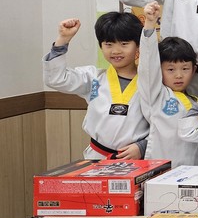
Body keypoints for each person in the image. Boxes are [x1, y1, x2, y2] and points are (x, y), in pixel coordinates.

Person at [43, 12, 148, 160]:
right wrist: (63, 40)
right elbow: (56, 79)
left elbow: (164, 124)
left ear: (138, 45)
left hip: (137, 159)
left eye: (124, 44)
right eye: (108, 44)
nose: (116, 51)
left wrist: (143, 146)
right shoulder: (93, 78)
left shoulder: (151, 83)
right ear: (101, 46)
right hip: (97, 158)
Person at [138, 2, 198, 167]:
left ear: (194, 70)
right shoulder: (155, 96)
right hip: (163, 172)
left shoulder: (197, 101)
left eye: (185, 68)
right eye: (170, 69)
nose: (179, 75)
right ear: (159, 70)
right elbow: (148, 65)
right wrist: (150, 24)